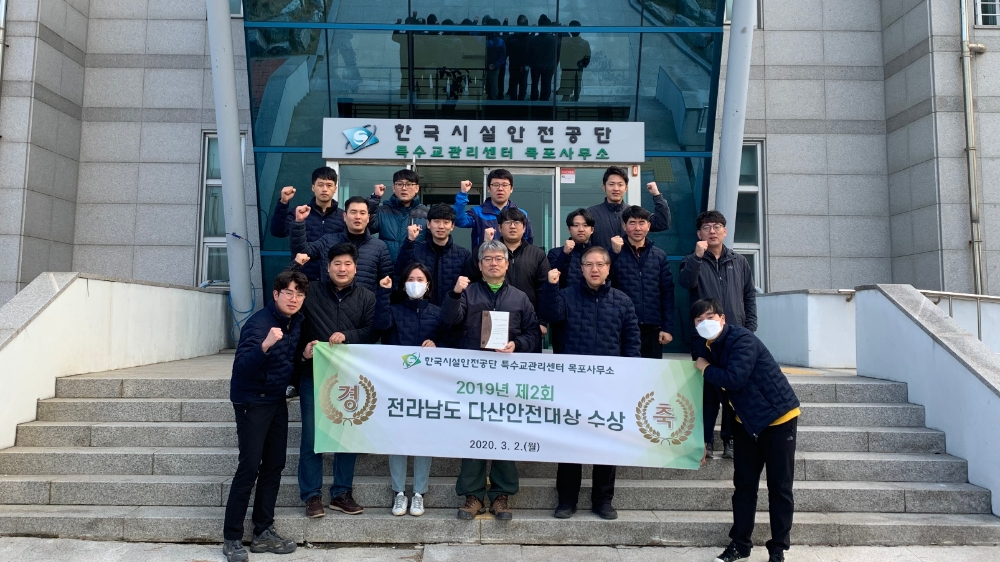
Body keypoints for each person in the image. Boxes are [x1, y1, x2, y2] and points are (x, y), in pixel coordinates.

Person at [691, 298, 799, 562]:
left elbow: (735, 379)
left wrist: (706, 368)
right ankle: (740, 545)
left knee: (780, 487)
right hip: (745, 422)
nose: (705, 323)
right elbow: (710, 397)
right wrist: (704, 440)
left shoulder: (742, 340)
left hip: (777, 418)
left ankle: (777, 549)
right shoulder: (704, 348)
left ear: (723, 318)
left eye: (710, 317)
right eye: (699, 320)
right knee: (744, 487)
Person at [442, 240, 541, 521]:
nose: (494, 263)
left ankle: (501, 495)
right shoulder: (468, 292)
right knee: (474, 433)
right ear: (480, 265)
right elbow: (449, 321)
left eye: (499, 258)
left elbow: (534, 334)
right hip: (473, 377)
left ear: (507, 264)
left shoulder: (520, 298)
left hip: (507, 378)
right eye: (488, 259)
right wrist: (454, 293)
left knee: (503, 433)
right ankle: (472, 495)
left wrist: (517, 344)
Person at [540, 246, 640, 521]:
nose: (595, 269)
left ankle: (603, 501)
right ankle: (566, 500)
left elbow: (631, 343)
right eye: (589, 264)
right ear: (581, 268)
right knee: (570, 443)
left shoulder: (622, 301)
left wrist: (630, 377)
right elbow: (550, 314)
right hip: (571, 384)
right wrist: (551, 286)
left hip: (609, 386)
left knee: (606, 444)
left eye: (600, 264)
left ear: (608, 268)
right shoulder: (566, 295)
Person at [222, 270, 309, 562]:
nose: (294, 299)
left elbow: (286, 362)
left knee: (274, 465)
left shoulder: (295, 322)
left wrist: (303, 357)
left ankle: (262, 532)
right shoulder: (259, 324)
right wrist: (265, 345)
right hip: (251, 402)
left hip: (275, 400)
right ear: (275, 294)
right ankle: (232, 538)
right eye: (288, 293)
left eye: (299, 294)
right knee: (249, 467)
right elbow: (242, 367)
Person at [295, 243, 376, 518]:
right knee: (311, 437)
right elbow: (292, 318)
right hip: (314, 374)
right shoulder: (311, 293)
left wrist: (347, 335)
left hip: (349, 378)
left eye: (348, 264)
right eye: (337, 264)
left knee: (346, 435)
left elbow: (372, 331)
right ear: (327, 267)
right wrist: (304, 352)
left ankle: (341, 493)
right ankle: (311, 495)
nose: (342, 269)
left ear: (356, 268)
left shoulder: (367, 297)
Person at [679, 210, 756, 461]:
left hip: (734, 336)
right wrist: (697, 257)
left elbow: (748, 295)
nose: (712, 231)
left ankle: (730, 439)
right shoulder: (691, 259)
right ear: (699, 233)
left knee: (733, 389)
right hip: (704, 338)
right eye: (706, 227)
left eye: (717, 226)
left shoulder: (739, 261)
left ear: (725, 231)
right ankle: (706, 440)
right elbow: (686, 283)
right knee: (708, 392)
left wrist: (749, 327)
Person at [374, 264, 443, 518]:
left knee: (423, 438)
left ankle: (419, 493)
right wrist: (383, 294)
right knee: (398, 438)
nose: (416, 283)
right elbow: (380, 325)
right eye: (411, 279)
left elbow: (449, 339)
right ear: (403, 285)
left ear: (428, 285)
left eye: (420, 279)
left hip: (427, 386)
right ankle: (399, 491)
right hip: (397, 385)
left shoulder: (437, 313)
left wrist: (437, 344)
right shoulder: (393, 310)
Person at [290, 196, 394, 294]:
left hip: (365, 305)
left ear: (368, 218)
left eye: (362, 213)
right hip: (329, 302)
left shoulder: (379, 247)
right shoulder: (328, 240)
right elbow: (302, 253)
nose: (358, 217)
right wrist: (299, 222)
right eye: (353, 212)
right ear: (344, 216)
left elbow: (386, 281)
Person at [610, 205, 675, 359]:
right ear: (624, 226)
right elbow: (604, 283)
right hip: (621, 327)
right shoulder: (614, 253)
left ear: (649, 226)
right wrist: (613, 254)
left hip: (652, 328)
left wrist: (667, 327)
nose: (637, 228)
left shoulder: (659, 256)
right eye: (632, 223)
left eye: (642, 223)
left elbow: (667, 293)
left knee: (651, 372)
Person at [485, 208, 549, 350]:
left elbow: (544, 291)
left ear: (524, 228)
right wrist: (484, 245)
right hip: (494, 322)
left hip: (529, 324)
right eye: (508, 223)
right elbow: (474, 275)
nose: (512, 226)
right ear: (499, 227)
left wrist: (542, 322)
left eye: (517, 223)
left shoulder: (537, 254)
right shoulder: (491, 254)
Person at [269, 167, 345, 281]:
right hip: (303, 278)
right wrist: (283, 202)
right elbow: (278, 231)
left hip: (332, 280)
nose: (325, 189)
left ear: (335, 188)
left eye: (329, 185)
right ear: (313, 187)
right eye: (320, 185)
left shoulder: (343, 217)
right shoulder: (300, 213)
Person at [396, 204, 476, 307]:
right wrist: (409, 241)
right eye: (436, 221)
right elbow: (400, 271)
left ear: (452, 226)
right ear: (428, 224)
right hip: (421, 310)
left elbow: (471, 286)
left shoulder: (464, 255)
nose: (441, 226)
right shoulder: (416, 250)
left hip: (451, 311)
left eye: (446, 222)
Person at [543, 208, 595, 353]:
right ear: (569, 229)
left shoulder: (599, 254)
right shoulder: (556, 253)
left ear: (592, 229)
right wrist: (565, 255)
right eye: (576, 225)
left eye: (585, 225)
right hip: (565, 316)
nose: (581, 229)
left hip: (593, 314)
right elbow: (556, 282)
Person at [586, 167, 672, 251]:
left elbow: (662, 223)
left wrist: (657, 195)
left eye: (620, 185)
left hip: (630, 261)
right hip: (601, 260)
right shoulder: (591, 213)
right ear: (604, 187)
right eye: (611, 184)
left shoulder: (634, 213)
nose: (616, 189)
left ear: (626, 188)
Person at [453, 169, 533, 248]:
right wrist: (463, 193)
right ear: (488, 188)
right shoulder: (478, 212)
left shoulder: (521, 214)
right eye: (495, 185)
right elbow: (458, 220)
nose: (500, 189)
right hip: (484, 255)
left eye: (505, 185)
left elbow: (528, 241)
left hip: (513, 256)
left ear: (511, 189)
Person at [367, 169, 429, 262]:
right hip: (386, 267)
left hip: (414, 268)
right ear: (393, 187)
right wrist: (375, 198)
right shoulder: (383, 211)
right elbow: (368, 228)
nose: (404, 188)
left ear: (417, 188)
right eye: (399, 184)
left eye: (409, 184)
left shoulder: (426, 214)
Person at [557, 20, 590, 101]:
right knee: (576, 92)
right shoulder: (585, 43)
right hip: (578, 70)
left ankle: (565, 106)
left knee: (566, 94)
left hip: (566, 70)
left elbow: (560, 55)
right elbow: (587, 59)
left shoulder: (565, 43)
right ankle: (574, 105)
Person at [527, 15, 557, 101]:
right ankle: (544, 100)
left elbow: (528, 54)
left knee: (534, 83)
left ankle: (534, 98)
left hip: (535, 66)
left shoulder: (532, 40)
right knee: (546, 84)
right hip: (548, 66)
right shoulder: (552, 40)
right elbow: (556, 54)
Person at [504, 15, 530, 100]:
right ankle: (521, 100)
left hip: (514, 64)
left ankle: (513, 101)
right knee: (523, 83)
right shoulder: (529, 39)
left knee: (513, 83)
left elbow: (506, 40)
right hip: (524, 64)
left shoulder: (512, 38)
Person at [484, 21, 506, 100]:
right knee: (494, 85)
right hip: (494, 67)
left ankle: (483, 101)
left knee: (482, 85)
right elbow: (502, 56)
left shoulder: (483, 40)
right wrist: (494, 65)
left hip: (483, 66)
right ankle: (494, 101)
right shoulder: (500, 41)